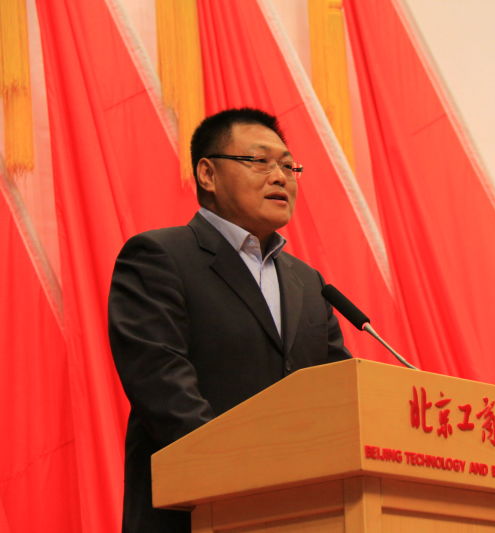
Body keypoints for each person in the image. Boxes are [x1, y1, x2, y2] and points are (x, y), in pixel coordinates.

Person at [108, 108, 351, 533]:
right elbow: (165, 390)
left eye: (288, 166)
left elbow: (341, 395)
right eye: (259, 161)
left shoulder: (308, 283)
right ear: (207, 174)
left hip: (303, 515)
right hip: (193, 513)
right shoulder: (160, 257)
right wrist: (250, 479)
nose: (280, 177)